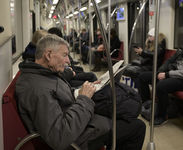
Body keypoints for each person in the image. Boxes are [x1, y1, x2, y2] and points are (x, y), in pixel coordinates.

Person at [15, 34, 146, 150]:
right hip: (76, 138)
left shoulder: (42, 75)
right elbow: (59, 138)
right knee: (137, 127)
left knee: (123, 112)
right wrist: (84, 99)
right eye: (64, 55)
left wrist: (80, 91)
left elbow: (59, 97)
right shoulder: (39, 90)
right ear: (48, 55)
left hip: (77, 120)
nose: (68, 61)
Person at [138, 29, 183, 126]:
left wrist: (167, 75)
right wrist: (160, 72)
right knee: (142, 76)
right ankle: (146, 104)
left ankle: (163, 116)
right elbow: (169, 61)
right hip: (170, 74)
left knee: (161, 86)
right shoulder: (182, 49)